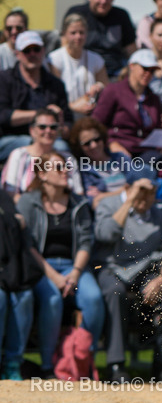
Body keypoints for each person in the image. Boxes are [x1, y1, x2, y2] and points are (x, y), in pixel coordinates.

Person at [94, 166, 162, 382]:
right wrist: (128, 201)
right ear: (128, 188)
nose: (147, 197)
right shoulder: (109, 205)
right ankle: (116, 365)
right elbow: (106, 234)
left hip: (146, 271)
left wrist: (161, 279)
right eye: (141, 191)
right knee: (115, 293)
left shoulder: (157, 213)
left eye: (151, 191)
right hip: (112, 267)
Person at [21, 150, 103, 378]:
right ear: (43, 174)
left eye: (66, 167)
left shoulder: (79, 202)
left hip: (73, 266)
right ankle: (48, 366)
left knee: (93, 298)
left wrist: (75, 273)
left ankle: (84, 359)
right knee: (53, 300)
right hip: (41, 267)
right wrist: (53, 276)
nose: (65, 171)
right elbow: (28, 244)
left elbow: (86, 242)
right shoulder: (29, 202)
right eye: (58, 168)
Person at [0, 31, 73, 162]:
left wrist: (60, 123)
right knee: (32, 146)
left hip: (49, 138)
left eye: (36, 49)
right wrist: (42, 115)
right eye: (27, 50)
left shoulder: (56, 84)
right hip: (12, 139)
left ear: (43, 51)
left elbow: (68, 123)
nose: (32, 54)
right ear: (17, 54)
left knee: (62, 148)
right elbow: (3, 116)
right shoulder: (4, 79)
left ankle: (51, 181)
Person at [92, 50, 162, 158]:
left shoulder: (154, 99)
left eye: (152, 70)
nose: (148, 73)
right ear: (132, 66)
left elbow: (157, 130)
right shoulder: (113, 91)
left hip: (148, 151)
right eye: (145, 68)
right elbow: (96, 124)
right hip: (120, 151)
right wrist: (111, 143)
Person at [0, 186, 40, 380]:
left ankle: (13, 363)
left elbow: (19, 231)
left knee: (24, 296)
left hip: (9, 269)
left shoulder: (3, 198)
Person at [63, 0, 136, 78]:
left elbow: (132, 51)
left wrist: (129, 69)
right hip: (84, 72)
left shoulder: (121, 16)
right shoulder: (76, 14)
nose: (103, 1)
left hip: (114, 74)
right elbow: (65, 47)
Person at [1, 109, 83, 198]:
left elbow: (78, 192)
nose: (48, 131)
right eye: (42, 127)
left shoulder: (68, 158)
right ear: (32, 130)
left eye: (53, 127)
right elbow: (11, 192)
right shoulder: (19, 155)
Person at [45, 14, 108, 120]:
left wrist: (99, 87)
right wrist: (73, 107)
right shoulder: (54, 59)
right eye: (73, 33)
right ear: (64, 34)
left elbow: (107, 88)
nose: (78, 37)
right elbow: (53, 96)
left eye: (81, 33)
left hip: (90, 118)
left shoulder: (96, 59)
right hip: (65, 118)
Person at [69, 116, 132, 207]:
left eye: (97, 139)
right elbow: (94, 204)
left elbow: (141, 183)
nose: (93, 145)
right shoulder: (84, 171)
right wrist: (125, 190)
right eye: (87, 143)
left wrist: (104, 195)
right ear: (80, 147)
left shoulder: (120, 158)